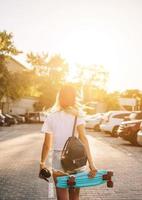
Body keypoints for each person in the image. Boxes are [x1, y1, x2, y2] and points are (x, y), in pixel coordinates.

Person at [40, 84, 97, 200]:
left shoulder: (51, 117)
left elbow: (47, 145)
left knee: (62, 197)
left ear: (59, 97)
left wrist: (42, 163)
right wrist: (91, 163)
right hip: (76, 159)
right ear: (74, 98)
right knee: (75, 195)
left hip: (58, 159)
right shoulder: (77, 116)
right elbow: (84, 139)